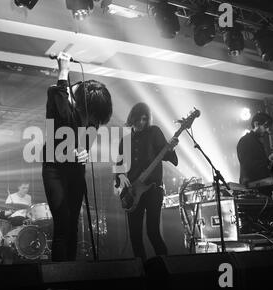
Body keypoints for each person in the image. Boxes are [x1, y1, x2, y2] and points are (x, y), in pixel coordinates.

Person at [42, 52, 113, 262]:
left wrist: (84, 151)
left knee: (73, 224)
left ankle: (71, 275)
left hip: (75, 171)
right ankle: (58, 280)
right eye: (90, 116)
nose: (92, 121)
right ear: (83, 104)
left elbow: (87, 141)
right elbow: (63, 117)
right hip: (55, 169)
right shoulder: (58, 97)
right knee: (62, 223)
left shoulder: (93, 113)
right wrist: (63, 71)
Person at [115, 103, 178, 262]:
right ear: (132, 118)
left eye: (145, 119)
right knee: (135, 236)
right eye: (139, 119)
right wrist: (121, 176)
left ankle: (165, 269)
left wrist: (170, 149)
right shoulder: (125, 140)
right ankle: (143, 273)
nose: (142, 122)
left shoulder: (154, 132)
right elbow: (119, 165)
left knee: (153, 232)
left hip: (153, 190)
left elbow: (168, 156)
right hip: (133, 191)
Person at [237, 112, 273, 185]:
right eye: (265, 126)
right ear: (256, 124)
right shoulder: (245, 140)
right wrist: (267, 163)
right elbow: (247, 164)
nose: (267, 130)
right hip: (252, 184)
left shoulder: (256, 141)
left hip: (260, 181)